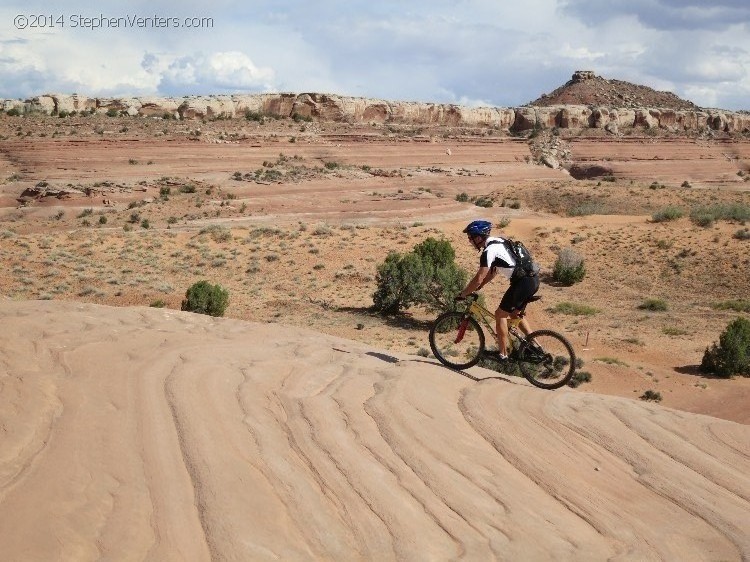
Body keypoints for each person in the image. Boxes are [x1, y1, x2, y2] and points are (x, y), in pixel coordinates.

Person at [456, 220, 539, 360]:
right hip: (533, 280)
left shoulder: (488, 251)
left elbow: (479, 277)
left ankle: (503, 354)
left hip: (522, 283)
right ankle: (536, 347)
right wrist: (480, 286)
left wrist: (464, 293)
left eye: (470, 237)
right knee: (515, 314)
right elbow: (493, 272)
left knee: (500, 314)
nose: (469, 241)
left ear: (478, 237)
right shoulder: (499, 241)